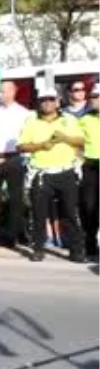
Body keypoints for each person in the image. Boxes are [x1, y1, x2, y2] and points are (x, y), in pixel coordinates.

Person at [18, 89, 85, 262]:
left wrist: (65, 138)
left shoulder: (69, 120)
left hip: (66, 172)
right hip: (41, 173)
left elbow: (83, 141)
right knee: (39, 214)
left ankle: (76, 250)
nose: (47, 103)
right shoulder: (32, 122)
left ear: (57, 101)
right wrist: (41, 145)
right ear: (39, 103)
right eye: (43, 100)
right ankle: (38, 249)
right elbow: (22, 146)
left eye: (50, 100)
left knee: (70, 213)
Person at [0, 80, 32, 248]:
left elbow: (27, 136)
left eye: (4, 91)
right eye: (0, 91)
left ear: (13, 92)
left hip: (14, 157)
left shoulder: (24, 113)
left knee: (16, 198)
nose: (1, 94)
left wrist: (25, 159)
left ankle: (15, 235)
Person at [79, 86, 100, 258]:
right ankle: (90, 245)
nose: (92, 99)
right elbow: (76, 142)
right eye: (92, 96)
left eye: (96, 96)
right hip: (90, 166)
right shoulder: (85, 119)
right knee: (88, 206)